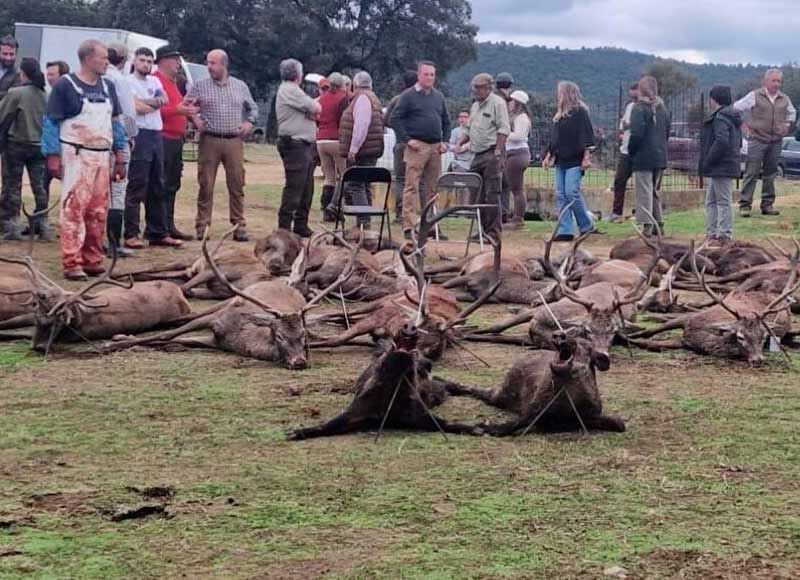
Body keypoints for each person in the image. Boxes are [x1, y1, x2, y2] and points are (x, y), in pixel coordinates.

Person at [41, 39, 127, 280]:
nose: (107, 61)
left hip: (102, 154)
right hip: (76, 154)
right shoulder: (65, 86)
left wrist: (120, 153)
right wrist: (52, 155)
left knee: (98, 210)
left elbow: (115, 121)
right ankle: (71, 261)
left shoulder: (108, 86)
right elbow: (50, 122)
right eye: (103, 57)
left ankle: (93, 258)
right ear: (89, 59)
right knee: (74, 208)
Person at [186, 49, 257, 241]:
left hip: (234, 140)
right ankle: (202, 226)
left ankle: (238, 225)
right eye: (208, 62)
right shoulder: (200, 86)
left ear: (224, 64)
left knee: (236, 184)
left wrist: (249, 122)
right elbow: (186, 106)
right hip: (210, 139)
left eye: (213, 63)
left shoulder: (240, 86)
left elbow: (253, 107)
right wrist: (195, 118)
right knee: (206, 184)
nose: (209, 67)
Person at [123, 47, 182, 249]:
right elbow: (134, 108)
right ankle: (131, 233)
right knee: (137, 185)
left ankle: (158, 232)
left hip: (156, 134)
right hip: (140, 133)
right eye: (142, 60)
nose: (146, 64)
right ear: (134, 60)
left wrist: (147, 103)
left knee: (159, 184)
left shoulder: (155, 81)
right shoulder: (127, 82)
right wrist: (153, 104)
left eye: (149, 61)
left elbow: (163, 99)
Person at [390, 61, 450, 239]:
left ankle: (430, 224)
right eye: (426, 74)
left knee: (432, 188)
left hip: (435, 147)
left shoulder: (438, 96)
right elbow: (395, 118)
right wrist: (408, 140)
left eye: (432, 74)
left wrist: (445, 141)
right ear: (419, 75)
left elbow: (446, 120)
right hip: (417, 147)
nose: (430, 77)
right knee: (411, 186)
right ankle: (408, 225)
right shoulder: (408, 96)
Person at [734, 69, 796, 217]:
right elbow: (736, 108)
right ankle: (745, 205)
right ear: (766, 81)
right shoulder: (754, 95)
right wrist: (743, 125)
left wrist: (787, 125)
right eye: (774, 80)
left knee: (771, 174)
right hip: (757, 140)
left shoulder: (785, 99)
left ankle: (767, 205)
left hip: (776, 141)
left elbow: (792, 113)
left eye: (779, 81)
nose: (776, 84)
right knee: (751, 172)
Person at [154, 45, 199, 240]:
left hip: (176, 139)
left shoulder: (174, 82)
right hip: (163, 138)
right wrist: (178, 111)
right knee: (160, 184)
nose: (179, 65)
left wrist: (188, 112)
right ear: (165, 60)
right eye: (176, 60)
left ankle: (168, 224)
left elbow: (177, 107)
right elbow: (154, 110)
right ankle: (158, 227)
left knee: (173, 183)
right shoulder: (156, 81)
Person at [0, 58, 48, 240]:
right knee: (39, 186)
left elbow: (2, 114)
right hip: (39, 146)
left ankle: (12, 225)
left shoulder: (17, 93)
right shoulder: (46, 95)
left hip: (17, 144)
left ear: (23, 74)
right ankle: (42, 223)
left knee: (13, 185)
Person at [542, 81, 596, 242]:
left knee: (571, 192)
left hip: (575, 159)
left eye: (560, 92)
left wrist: (586, 157)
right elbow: (555, 138)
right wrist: (548, 155)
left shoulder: (580, 112)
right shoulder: (559, 116)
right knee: (561, 194)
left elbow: (588, 135)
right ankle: (565, 230)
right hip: (561, 159)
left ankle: (586, 225)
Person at [459, 73, 509, 238]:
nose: (475, 91)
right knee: (476, 192)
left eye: (479, 88)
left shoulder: (498, 103)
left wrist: (498, 151)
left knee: (492, 193)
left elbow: (503, 129)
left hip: (492, 152)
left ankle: (493, 232)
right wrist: (460, 143)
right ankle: (481, 231)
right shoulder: (475, 106)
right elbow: (469, 129)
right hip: (477, 153)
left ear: (489, 88)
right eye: (474, 88)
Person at [331, 71, 384, 228]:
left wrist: (353, 149)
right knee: (364, 184)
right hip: (371, 149)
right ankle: (364, 223)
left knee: (356, 185)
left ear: (355, 85)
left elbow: (361, 125)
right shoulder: (373, 97)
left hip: (362, 150)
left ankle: (364, 221)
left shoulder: (362, 99)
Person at [275, 58, 321, 237]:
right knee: (295, 187)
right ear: (297, 75)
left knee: (306, 187)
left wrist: (311, 112)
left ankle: (301, 225)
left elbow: (313, 110)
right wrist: (311, 111)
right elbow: (316, 107)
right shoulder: (290, 90)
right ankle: (284, 228)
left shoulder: (293, 91)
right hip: (295, 145)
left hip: (303, 145)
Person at [103, 43, 138, 257]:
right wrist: (131, 136)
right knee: (117, 192)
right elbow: (128, 113)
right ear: (123, 60)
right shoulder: (119, 80)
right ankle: (114, 243)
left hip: (95, 139)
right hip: (116, 139)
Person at [628, 75, 670, 236]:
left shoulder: (638, 108)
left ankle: (646, 225)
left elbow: (636, 134)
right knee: (653, 191)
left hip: (643, 156)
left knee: (644, 190)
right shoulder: (663, 108)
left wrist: (631, 151)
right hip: (660, 156)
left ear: (641, 90)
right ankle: (659, 224)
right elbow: (666, 131)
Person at [701, 86, 742, 246]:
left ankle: (724, 235)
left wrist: (709, 159)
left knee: (723, 201)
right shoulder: (733, 117)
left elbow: (721, 141)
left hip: (720, 166)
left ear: (714, 99)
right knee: (711, 201)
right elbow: (737, 143)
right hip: (726, 164)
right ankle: (711, 234)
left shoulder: (720, 118)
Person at [383, 69, 419, 223]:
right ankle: (411, 213)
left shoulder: (396, 100)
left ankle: (399, 213)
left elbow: (386, 120)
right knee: (416, 180)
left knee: (400, 179)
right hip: (418, 145)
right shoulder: (421, 99)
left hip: (400, 144)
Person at [316, 71, 348, 222]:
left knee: (329, 177)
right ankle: (336, 207)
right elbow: (343, 121)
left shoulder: (321, 99)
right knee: (344, 175)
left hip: (321, 140)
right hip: (336, 140)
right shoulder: (342, 99)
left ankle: (325, 209)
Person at [608, 82, 639, 223]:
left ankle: (640, 213)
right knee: (619, 181)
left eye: (635, 93)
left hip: (639, 152)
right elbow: (623, 125)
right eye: (631, 94)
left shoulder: (646, 108)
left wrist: (630, 125)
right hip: (625, 150)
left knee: (642, 184)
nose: (633, 96)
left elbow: (634, 125)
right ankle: (616, 213)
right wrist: (629, 125)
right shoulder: (630, 106)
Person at [504, 90, 532, 229]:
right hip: (516, 153)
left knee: (516, 188)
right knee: (515, 187)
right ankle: (515, 216)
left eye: (511, 100)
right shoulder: (519, 117)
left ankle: (518, 218)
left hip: (516, 154)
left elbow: (519, 136)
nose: (509, 103)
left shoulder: (520, 117)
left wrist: (503, 133)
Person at [0, 36, 20, 102]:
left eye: (11, 54)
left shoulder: (18, 75)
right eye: (5, 54)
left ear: (16, 54)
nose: (8, 58)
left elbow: (11, 96)